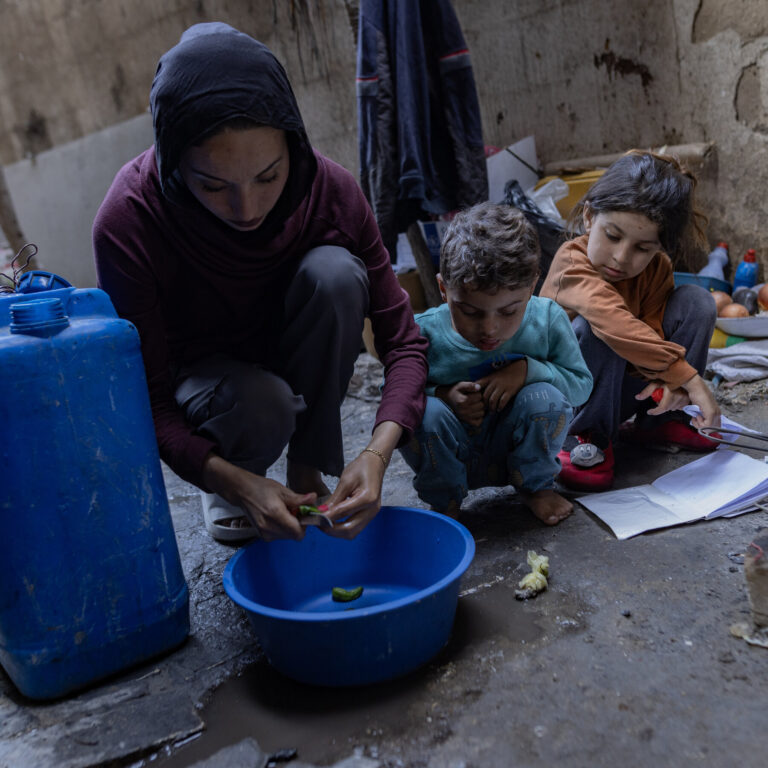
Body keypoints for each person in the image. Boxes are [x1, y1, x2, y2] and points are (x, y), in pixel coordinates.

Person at [93, 22, 428, 542]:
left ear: (293, 145)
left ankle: (305, 465)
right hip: (205, 386)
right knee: (261, 402)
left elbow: (403, 344)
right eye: (212, 184)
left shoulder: (331, 191)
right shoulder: (129, 219)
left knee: (336, 275)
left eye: (269, 176)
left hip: (289, 355)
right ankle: (231, 473)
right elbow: (147, 399)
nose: (246, 208)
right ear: (173, 163)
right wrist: (234, 481)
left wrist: (376, 453)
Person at [399, 202, 593, 525]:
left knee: (546, 398)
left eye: (508, 312)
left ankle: (535, 487)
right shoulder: (424, 332)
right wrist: (442, 395)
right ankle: (445, 502)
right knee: (420, 413)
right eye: (470, 312)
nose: (489, 329)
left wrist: (528, 371)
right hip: (449, 453)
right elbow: (394, 396)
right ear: (443, 289)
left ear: (532, 287)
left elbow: (581, 388)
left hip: (517, 452)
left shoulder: (547, 320)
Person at [540, 150, 721, 492]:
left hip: (620, 394)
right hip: (562, 402)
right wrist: (694, 381)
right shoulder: (570, 264)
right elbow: (616, 322)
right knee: (597, 329)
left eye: (643, 248)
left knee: (697, 301)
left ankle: (661, 416)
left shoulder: (656, 269)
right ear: (590, 217)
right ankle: (585, 435)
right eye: (613, 235)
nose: (622, 257)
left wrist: (667, 382)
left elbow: (650, 331)